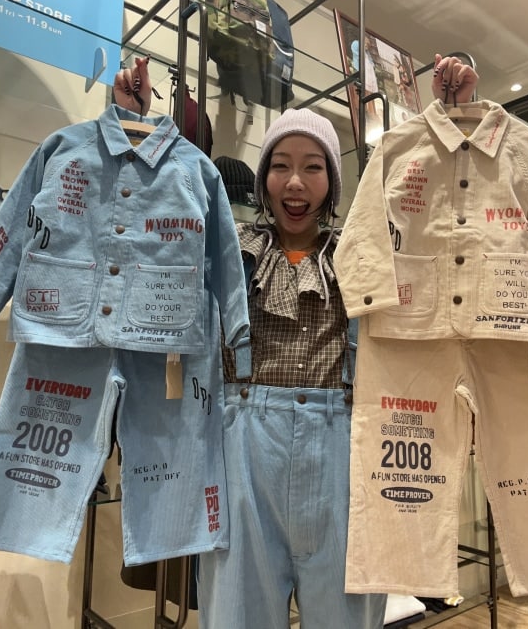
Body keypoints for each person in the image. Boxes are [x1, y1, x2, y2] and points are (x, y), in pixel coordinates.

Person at [114, 53, 479, 628]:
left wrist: (454, 114)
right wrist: (134, 123)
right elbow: (147, 229)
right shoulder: (231, 249)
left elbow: (439, 213)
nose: (294, 182)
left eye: (313, 167)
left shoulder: (361, 254)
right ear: (263, 180)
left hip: (344, 466)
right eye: (280, 165)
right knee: (235, 618)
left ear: (332, 182)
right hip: (240, 461)